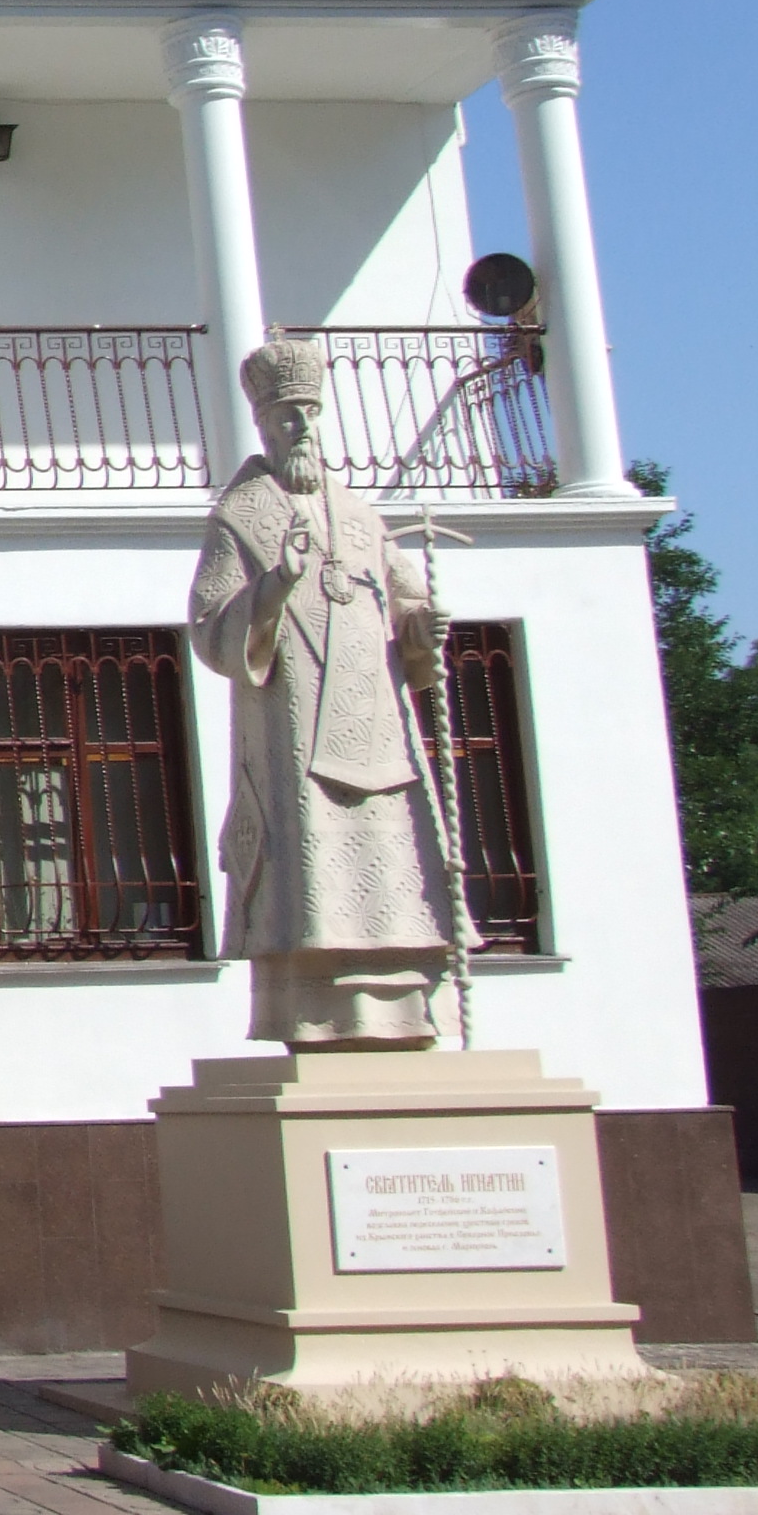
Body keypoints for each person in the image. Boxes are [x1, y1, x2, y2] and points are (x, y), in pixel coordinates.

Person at [189, 337, 465, 1048]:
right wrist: (273, 588)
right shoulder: (240, 516)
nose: (302, 429)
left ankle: (407, 1007)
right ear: (263, 424)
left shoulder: (361, 514)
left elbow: (403, 600)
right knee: (309, 874)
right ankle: (313, 1010)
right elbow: (212, 627)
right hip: (294, 731)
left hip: (378, 729)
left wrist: (420, 624)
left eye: (310, 412)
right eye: (287, 416)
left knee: (396, 866)